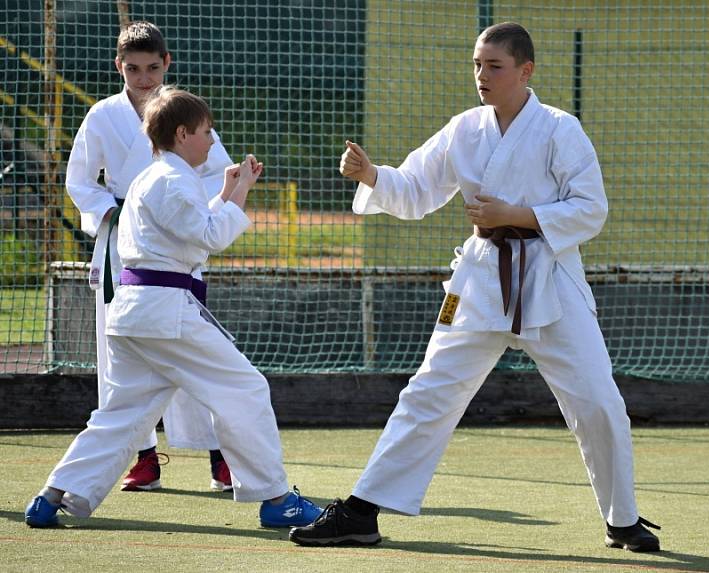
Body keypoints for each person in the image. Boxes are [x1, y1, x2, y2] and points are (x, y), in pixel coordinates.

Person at [289, 22, 661, 552]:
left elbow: (591, 209)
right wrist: (374, 175)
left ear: (526, 71)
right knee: (429, 391)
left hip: (550, 276)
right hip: (481, 276)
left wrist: (518, 213)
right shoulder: (465, 128)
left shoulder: (560, 129)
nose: (482, 76)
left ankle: (622, 519)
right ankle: (362, 509)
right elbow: (417, 189)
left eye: (494, 66)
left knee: (599, 400)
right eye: (477, 65)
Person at [24, 87, 323, 529]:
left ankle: (54, 495)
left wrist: (225, 192)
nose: (211, 139)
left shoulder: (155, 177)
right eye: (205, 131)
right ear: (182, 134)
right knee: (246, 389)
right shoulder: (170, 179)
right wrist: (238, 193)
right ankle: (277, 499)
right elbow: (208, 237)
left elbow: (187, 228)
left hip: (136, 313)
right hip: (164, 311)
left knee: (123, 413)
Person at [65, 21, 233, 492]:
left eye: (152, 68)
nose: (144, 78)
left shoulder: (182, 110)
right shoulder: (102, 115)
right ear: (119, 66)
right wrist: (112, 212)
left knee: (195, 348)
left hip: (178, 248)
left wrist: (187, 208)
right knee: (120, 358)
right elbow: (80, 181)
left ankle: (221, 457)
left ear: (167, 64)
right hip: (125, 248)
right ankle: (142, 457)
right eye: (133, 69)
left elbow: (214, 169)